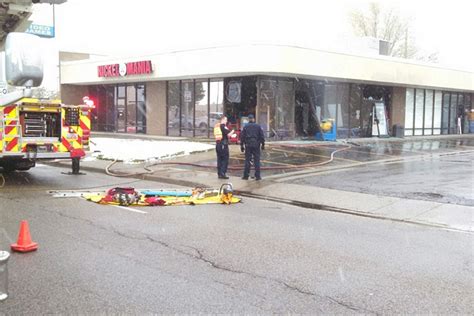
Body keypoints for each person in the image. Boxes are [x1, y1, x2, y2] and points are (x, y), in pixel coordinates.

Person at [240, 114, 265, 180]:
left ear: (248, 119)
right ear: (253, 119)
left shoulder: (245, 127)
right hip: (256, 145)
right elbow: (262, 136)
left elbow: (242, 137)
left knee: (247, 160)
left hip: (248, 145)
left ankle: (246, 175)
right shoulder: (258, 126)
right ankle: (258, 176)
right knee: (257, 160)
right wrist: (263, 144)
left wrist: (241, 145)